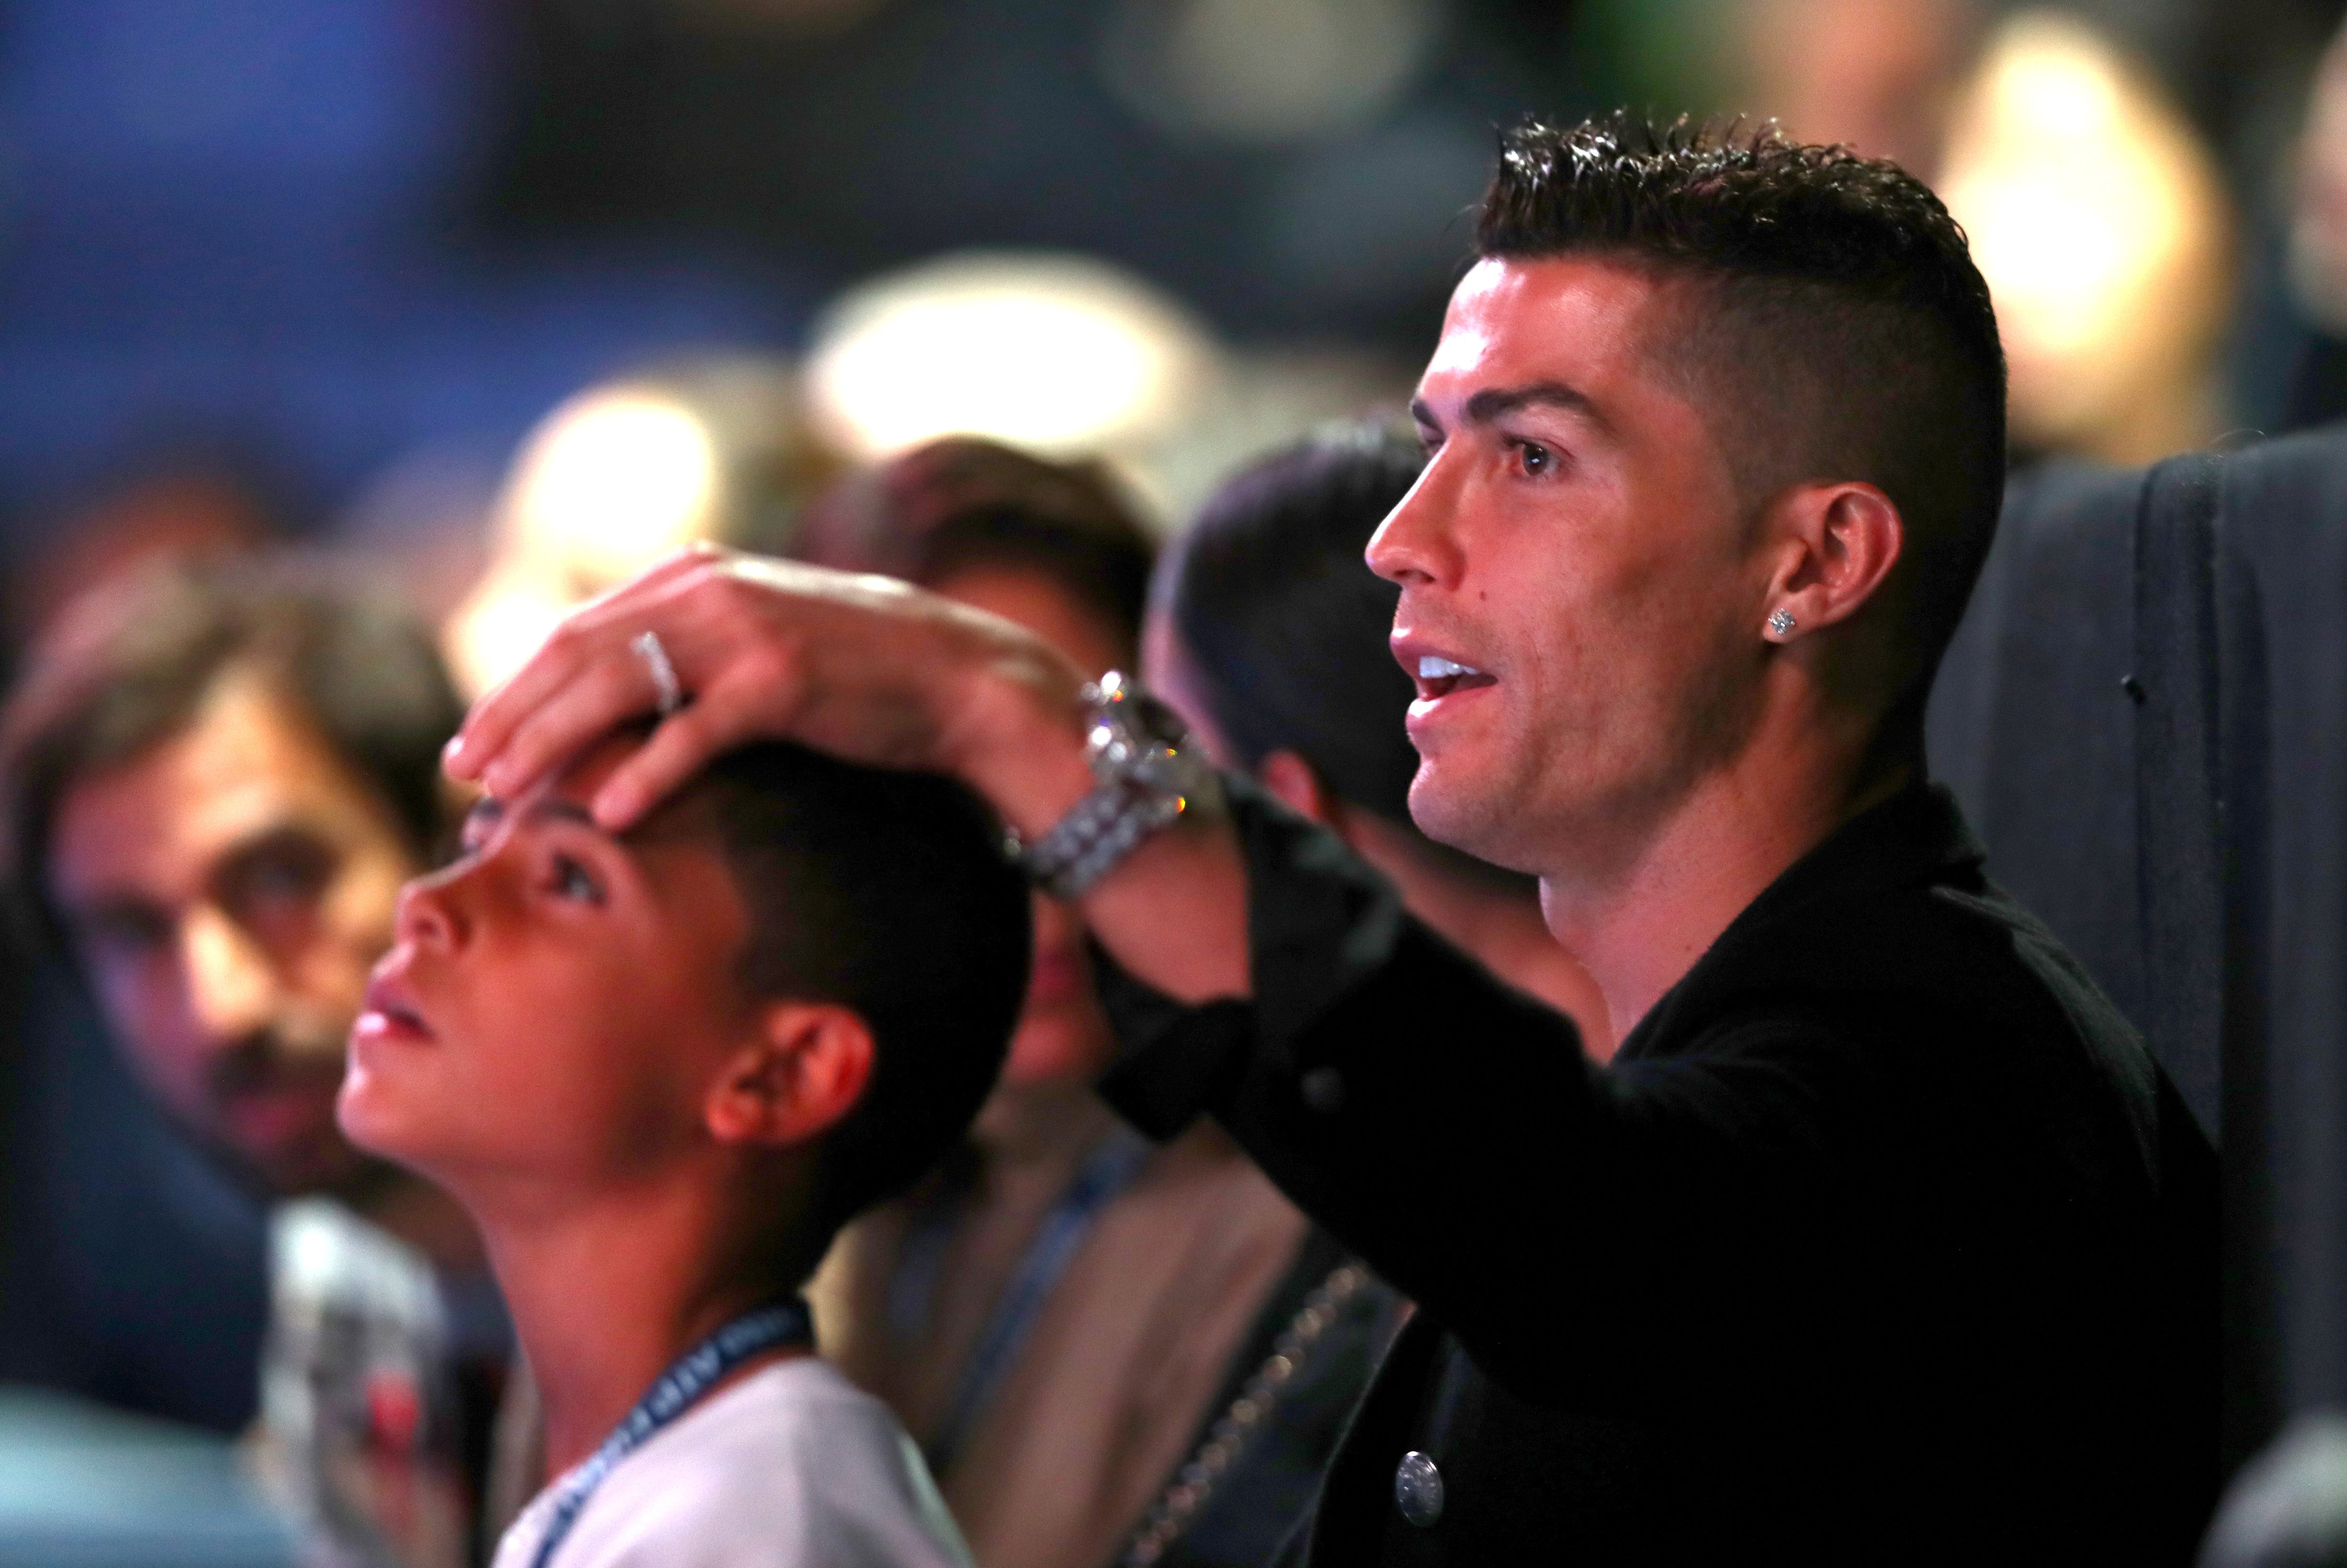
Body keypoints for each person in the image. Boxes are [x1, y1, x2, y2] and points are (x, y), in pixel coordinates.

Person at [446, 114, 2220, 1563]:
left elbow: (1568, 1207)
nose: (1403, 533)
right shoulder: (1725, 1065)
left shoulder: (1944, 1081)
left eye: (1530, 457)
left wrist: (999, 710)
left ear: (1814, 564)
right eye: (1435, 441)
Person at [796, 436, 1401, 1568]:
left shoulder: (1327, 1187)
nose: (1043, 861)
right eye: (938, 790)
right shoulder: (840, 1201)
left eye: (1091, 762)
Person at [337, 726, 1030, 1568]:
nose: (427, 904)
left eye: (571, 879)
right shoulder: (661, 1477)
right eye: (473, 845)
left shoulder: (760, 1528)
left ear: (782, 1074)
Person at [0, 559, 507, 1559]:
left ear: (457, 852)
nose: (218, 1007)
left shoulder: (753, 1263)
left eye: (280, 880)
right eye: (133, 932)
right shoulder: (341, 1282)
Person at [1148, 420, 1610, 1051]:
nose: (1158, 840)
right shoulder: (1728, 1036)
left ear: (1288, 813)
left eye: (1181, 774)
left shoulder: (1404, 1130)